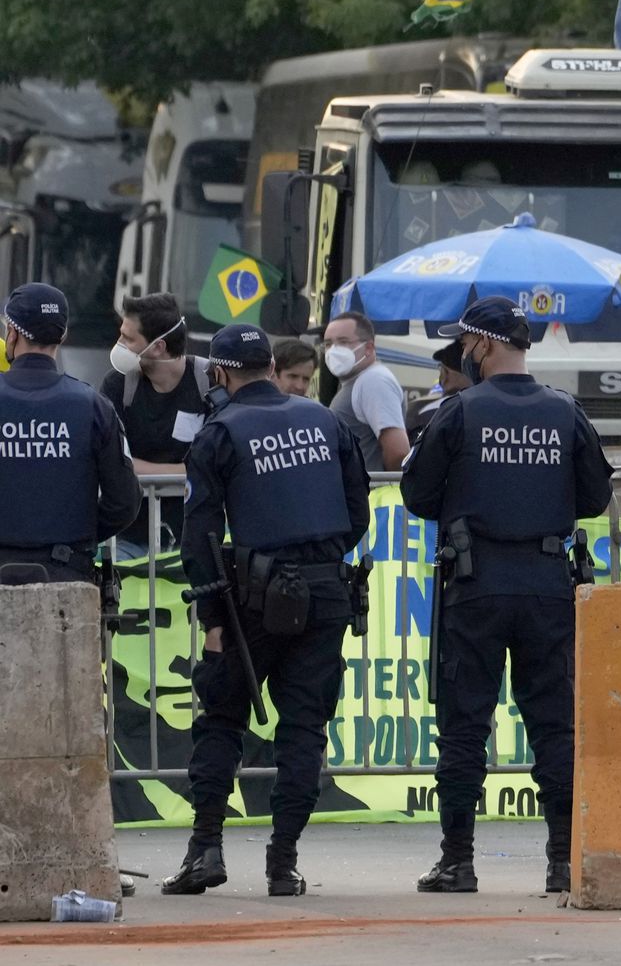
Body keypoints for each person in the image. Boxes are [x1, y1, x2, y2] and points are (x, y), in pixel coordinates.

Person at [402, 297, 613, 895]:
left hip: (476, 583)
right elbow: (594, 498)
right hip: (549, 585)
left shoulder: (459, 412)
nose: (462, 356)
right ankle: (562, 861)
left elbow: (418, 494)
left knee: (465, 724)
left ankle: (458, 860)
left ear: (483, 346)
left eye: (464, 345)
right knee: (553, 724)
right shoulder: (566, 412)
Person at [164, 324, 368, 899]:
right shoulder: (325, 421)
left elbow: (199, 536)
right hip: (325, 593)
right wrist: (320, 563)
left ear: (222, 373)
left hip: (248, 598)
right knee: (304, 729)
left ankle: (205, 849)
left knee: (221, 718)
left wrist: (213, 619)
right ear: (270, 366)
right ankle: (284, 864)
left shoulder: (219, 432)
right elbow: (358, 514)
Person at [0, 282, 139, 584]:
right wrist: (80, 534)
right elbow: (125, 502)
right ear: (62, 335)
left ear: (13, 332)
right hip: (66, 577)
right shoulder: (94, 406)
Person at [100, 293, 213, 545]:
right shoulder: (118, 384)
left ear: (159, 347)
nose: (118, 344)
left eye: (128, 338)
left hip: (195, 536)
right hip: (129, 539)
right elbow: (113, 462)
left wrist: (141, 469)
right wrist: (185, 473)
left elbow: (219, 464)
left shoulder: (209, 382)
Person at [322, 312, 409, 473]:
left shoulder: (373, 380)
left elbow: (398, 452)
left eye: (343, 342)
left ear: (369, 348)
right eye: (328, 344)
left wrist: (382, 487)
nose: (333, 350)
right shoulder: (356, 382)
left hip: (372, 495)